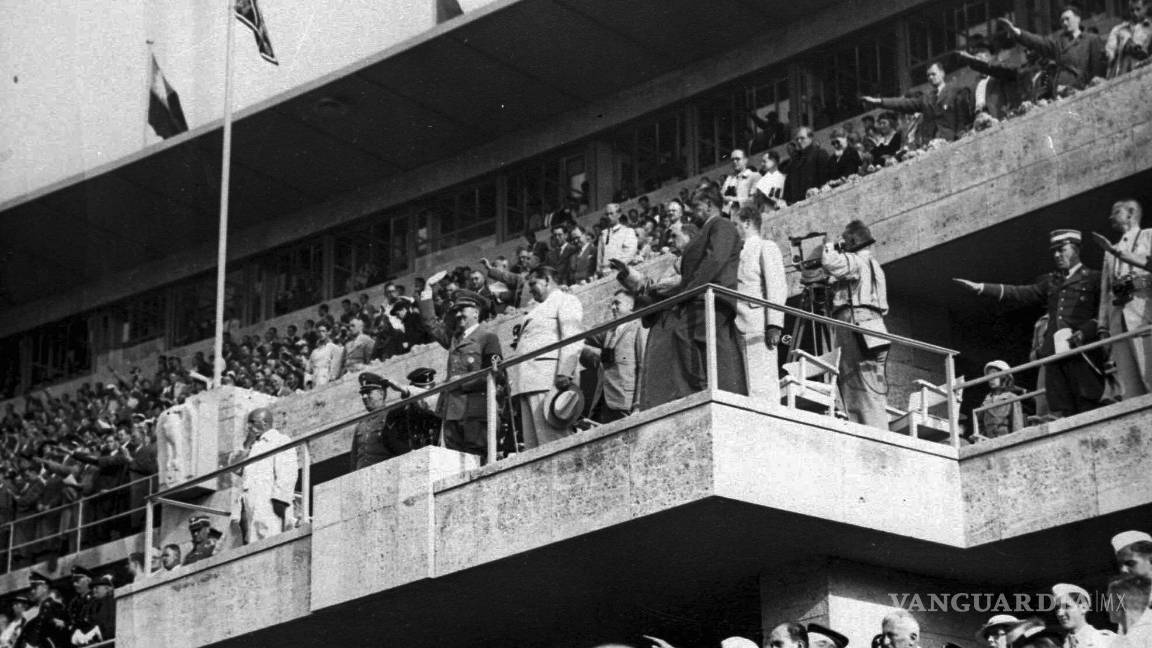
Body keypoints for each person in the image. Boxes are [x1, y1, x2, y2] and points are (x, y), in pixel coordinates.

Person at [955, 230, 1104, 418]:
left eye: (1062, 249)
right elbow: (1022, 293)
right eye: (1054, 251)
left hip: (1082, 349)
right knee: (1060, 402)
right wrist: (982, 288)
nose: (1057, 255)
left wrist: (1086, 331)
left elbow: (1104, 311)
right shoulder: (1052, 281)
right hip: (1054, 351)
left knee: (1086, 398)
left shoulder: (1093, 278)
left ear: (1076, 249)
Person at [419, 281, 503, 460]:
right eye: (456, 311)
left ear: (475, 312)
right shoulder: (454, 339)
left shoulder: (488, 338)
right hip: (452, 414)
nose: (458, 314)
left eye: (462, 309)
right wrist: (426, 295)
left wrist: (461, 380)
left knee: (479, 461)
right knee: (453, 464)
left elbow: (496, 374)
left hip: (475, 412)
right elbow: (431, 324)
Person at [821, 220, 890, 429]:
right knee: (873, 384)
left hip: (855, 321)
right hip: (877, 324)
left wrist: (830, 245)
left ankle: (866, 431)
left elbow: (829, 261)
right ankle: (879, 429)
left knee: (855, 382)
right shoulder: (875, 266)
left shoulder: (854, 260)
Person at [509, 266, 583, 449]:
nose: (530, 289)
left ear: (548, 280)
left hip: (548, 379)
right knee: (533, 447)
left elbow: (572, 336)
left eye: (534, 283)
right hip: (527, 382)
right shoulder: (538, 309)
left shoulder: (566, 300)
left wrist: (565, 371)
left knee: (554, 440)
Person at [1092, 200, 1152, 400]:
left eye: (1116, 211)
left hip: (1144, 312)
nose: (1110, 217)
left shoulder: (1148, 236)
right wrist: (1102, 326)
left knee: (1149, 371)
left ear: (1131, 213)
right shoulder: (1110, 251)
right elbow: (1105, 291)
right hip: (1118, 318)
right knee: (1130, 383)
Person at [734, 205, 788, 404]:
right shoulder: (736, 252)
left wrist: (774, 324)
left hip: (758, 325)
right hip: (737, 325)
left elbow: (777, 287)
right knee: (745, 388)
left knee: (762, 385)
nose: (733, 230)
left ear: (747, 223)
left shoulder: (766, 247)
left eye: (735, 224)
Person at [997, 6, 1106, 95]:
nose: (1064, 23)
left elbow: (1098, 69)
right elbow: (1039, 42)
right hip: (1060, 92)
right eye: (1062, 20)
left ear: (1078, 19)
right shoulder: (1058, 43)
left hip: (1083, 90)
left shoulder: (1091, 39)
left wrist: (1095, 89)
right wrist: (1017, 32)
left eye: (1067, 19)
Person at [231, 407, 297, 544]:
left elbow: (287, 473)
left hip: (269, 499)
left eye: (252, 422)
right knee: (252, 538)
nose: (248, 426)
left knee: (270, 535)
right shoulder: (252, 446)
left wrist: (281, 499)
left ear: (265, 422)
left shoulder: (279, 440)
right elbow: (234, 467)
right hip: (251, 501)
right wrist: (246, 445)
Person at [863, 62, 973, 142]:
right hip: (930, 142)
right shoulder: (925, 99)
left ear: (942, 73)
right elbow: (903, 103)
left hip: (951, 139)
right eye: (928, 75)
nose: (930, 78)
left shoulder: (956, 92)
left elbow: (962, 118)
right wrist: (879, 101)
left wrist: (960, 135)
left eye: (933, 74)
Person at [582, 290, 647, 423]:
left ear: (631, 306)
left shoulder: (638, 327)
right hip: (604, 401)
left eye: (617, 303)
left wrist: (638, 405)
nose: (613, 307)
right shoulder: (611, 330)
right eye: (612, 304)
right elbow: (586, 335)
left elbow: (643, 367)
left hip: (625, 401)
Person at [349, 372, 393, 471]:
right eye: (362, 394)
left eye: (368, 392)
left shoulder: (391, 416)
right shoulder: (361, 424)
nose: (364, 397)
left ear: (381, 394)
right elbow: (354, 459)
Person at [1052, 583, 1117, 648]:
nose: (1060, 613)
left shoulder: (1105, 640)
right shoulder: (1058, 645)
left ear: (1083, 607)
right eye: (1057, 608)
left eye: (1067, 606)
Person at [974, 360, 1026, 439]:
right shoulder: (986, 401)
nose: (991, 379)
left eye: (995, 374)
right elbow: (980, 424)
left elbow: (1017, 425)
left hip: (1006, 441)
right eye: (989, 376)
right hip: (988, 443)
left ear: (1004, 377)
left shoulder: (1012, 398)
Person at [783, 127, 832, 204]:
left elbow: (826, 181)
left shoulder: (820, 154)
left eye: (802, 138)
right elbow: (787, 191)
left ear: (810, 138)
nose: (799, 141)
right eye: (797, 139)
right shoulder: (793, 164)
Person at [1106, 0, 1151, 78]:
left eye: (1138, 9)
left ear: (1145, 8)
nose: (1134, 13)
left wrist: (1144, 60)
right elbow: (1110, 52)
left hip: (1141, 72)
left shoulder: (1150, 29)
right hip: (1120, 72)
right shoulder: (1119, 29)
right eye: (1132, 10)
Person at [598, 202, 639, 278]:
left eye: (611, 213)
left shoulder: (628, 231)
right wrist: (599, 271)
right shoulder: (603, 234)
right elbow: (600, 258)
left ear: (619, 214)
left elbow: (629, 253)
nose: (609, 216)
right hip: (604, 275)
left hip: (621, 274)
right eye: (607, 214)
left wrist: (614, 267)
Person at [720, 149, 762, 215]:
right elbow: (722, 197)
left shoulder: (755, 176)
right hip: (730, 216)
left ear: (745, 160)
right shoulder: (729, 179)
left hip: (748, 216)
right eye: (732, 160)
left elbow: (754, 200)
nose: (734, 162)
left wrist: (733, 200)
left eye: (737, 159)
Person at [308, 322, 344, 387]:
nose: (321, 333)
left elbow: (336, 362)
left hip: (326, 377)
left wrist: (332, 377)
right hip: (315, 378)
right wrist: (308, 381)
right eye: (319, 332)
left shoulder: (332, 347)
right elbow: (308, 368)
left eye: (323, 331)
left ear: (327, 332)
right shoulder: (314, 352)